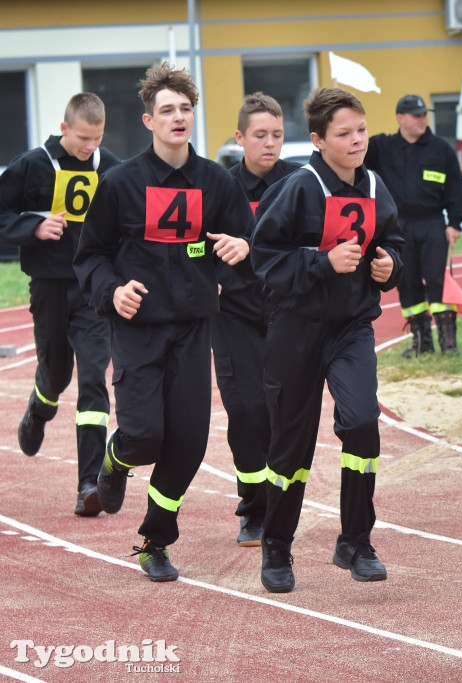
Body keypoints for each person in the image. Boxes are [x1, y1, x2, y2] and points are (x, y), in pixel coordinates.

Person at [74, 63, 255, 582]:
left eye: (186, 109)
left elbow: (246, 246)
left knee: (190, 443)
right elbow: (91, 257)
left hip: (195, 330)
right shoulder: (119, 184)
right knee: (145, 437)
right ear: (149, 120)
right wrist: (113, 291)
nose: (178, 117)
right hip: (137, 329)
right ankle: (115, 457)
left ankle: (156, 539)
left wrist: (239, 252)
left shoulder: (218, 183)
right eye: (168, 110)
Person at [250, 87, 404, 594]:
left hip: (351, 328)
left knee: (362, 423)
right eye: (345, 134)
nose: (357, 140)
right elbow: (264, 256)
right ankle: (277, 547)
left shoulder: (377, 186)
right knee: (290, 447)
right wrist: (321, 262)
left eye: (361, 130)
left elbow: (393, 240)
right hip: (296, 330)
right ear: (318, 140)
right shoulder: (299, 186)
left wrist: (390, 264)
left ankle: (356, 541)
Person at [0, 93, 120, 517]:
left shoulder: (110, 168)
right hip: (48, 286)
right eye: (83, 138)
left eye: (97, 138)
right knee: (56, 374)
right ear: (65, 128)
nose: (90, 147)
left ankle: (89, 483)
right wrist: (33, 226)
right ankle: (39, 406)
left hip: (92, 289)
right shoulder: (31, 165)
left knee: (93, 378)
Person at [216, 92, 302, 547]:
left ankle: (281, 504)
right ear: (240, 137)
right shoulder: (221, 187)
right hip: (232, 315)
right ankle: (253, 508)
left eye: (277, 136)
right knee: (246, 411)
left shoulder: (300, 184)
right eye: (260, 136)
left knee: (282, 414)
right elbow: (194, 244)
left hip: (286, 314)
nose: (270, 144)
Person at [365, 93, 462, 356]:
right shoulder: (382, 147)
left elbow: (457, 190)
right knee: (407, 281)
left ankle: (449, 342)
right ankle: (421, 342)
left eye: (425, 114)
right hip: (397, 227)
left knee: (437, 280)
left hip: (433, 224)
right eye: (416, 115)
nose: (423, 119)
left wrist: (454, 223)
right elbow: (352, 155)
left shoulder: (441, 149)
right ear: (400, 118)